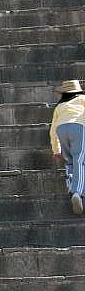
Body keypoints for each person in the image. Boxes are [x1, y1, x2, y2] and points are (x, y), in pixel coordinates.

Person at [49, 80, 85, 215]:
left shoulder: (60, 106)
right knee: (80, 160)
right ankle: (77, 192)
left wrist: (56, 149)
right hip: (78, 127)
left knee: (70, 162)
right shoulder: (83, 99)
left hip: (61, 130)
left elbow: (52, 130)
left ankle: (71, 189)